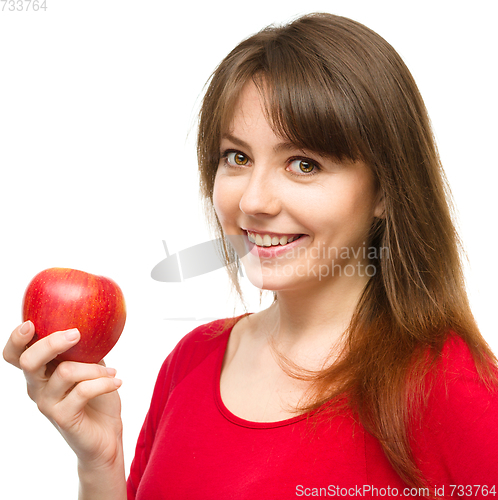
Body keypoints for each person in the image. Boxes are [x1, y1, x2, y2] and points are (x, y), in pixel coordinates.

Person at [4, 12, 498, 500]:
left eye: (304, 164)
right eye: (237, 157)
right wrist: (100, 465)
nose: (254, 201)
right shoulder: (191, 362)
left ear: (385, 190)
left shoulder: (455, 391)